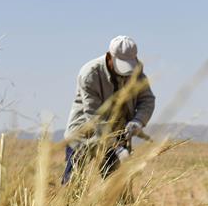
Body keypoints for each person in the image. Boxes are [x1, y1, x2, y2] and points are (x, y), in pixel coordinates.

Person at [63, 35, 155, 184]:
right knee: (73, 186)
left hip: (117, 136)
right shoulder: (89, 74)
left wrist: (138, 121)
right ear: (109, 57)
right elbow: (94, 116)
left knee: (117, 190)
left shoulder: (136, 72)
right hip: (84, 136)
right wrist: (117, 147)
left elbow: (147, 100)